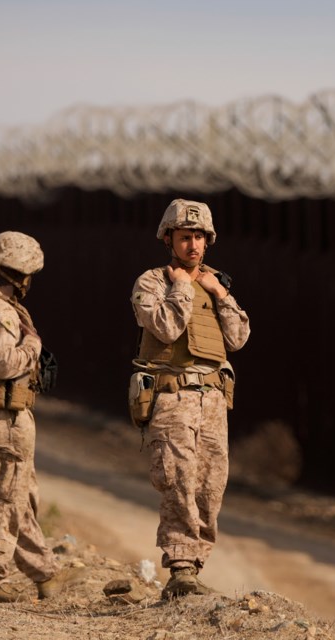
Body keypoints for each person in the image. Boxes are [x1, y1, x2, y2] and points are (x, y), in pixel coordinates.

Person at [129, 199, 250, 599]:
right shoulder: (152, 282)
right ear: (170, 240)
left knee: (211, 485)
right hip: (172, 395)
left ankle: (195, 568)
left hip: (212, 400)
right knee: (178, 481)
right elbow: (164, 328)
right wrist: (182, 285)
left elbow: (238, 338)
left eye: (199, 237)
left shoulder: (217, 284)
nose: (193, 245)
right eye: (185, 237)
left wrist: (219, 294)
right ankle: (180, 569)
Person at [0, 231, 82, 603]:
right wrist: (33, 344)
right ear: (22, 274)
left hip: (3, 416)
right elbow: (4, 363)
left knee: (19, 498)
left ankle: (46, 576)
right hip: (2, 419)